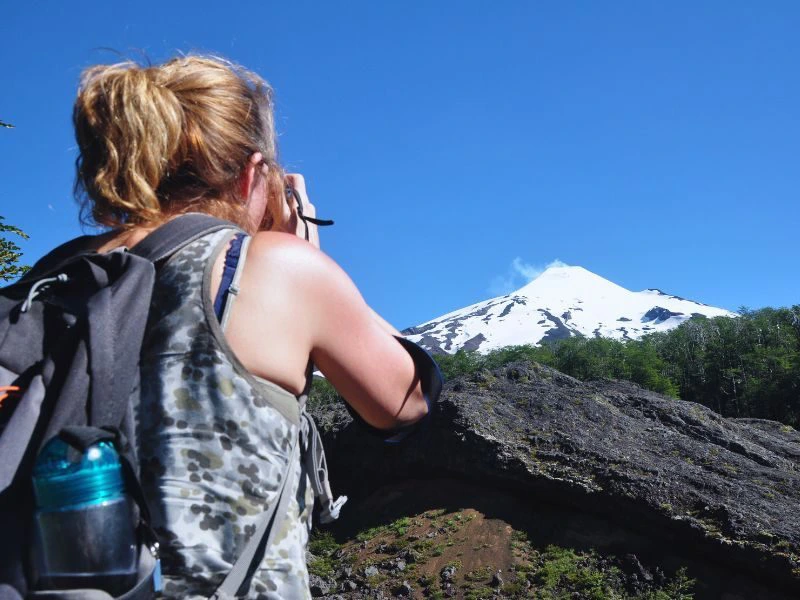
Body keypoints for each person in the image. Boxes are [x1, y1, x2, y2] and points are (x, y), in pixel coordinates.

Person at [71, 55, 438, 598]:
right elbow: (405, 402)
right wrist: (308, 250)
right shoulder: (277, 265)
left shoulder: (54, 277)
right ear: (251, 173)